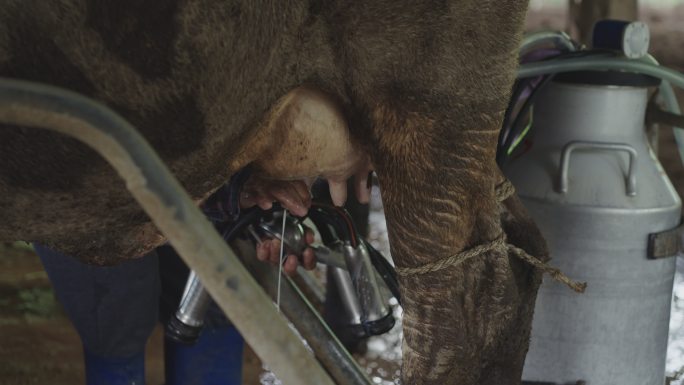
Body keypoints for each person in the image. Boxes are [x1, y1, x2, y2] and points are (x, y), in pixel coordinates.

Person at [35, 170, 318, 385]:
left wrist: (256, 206)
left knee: (213, 299)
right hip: (89, 185)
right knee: (115, 315)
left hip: (205, 161)